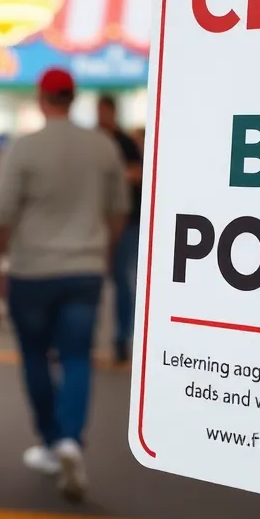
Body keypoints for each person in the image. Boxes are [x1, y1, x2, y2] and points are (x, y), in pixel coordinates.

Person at [0, 68, 129, 503]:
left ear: (41, 98)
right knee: (77, 356)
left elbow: (0, 215)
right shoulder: (102, 146)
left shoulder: (23, 148)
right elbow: (119, 211)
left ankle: (50, 440)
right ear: (73, 97)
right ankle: (70, 438)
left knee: (34, 356)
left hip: (32, 271)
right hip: (84, 269)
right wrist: (104, 252)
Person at [97, 95, 143, 363]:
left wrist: (116, 174)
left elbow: (137, 173)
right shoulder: (92, 141)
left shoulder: (124, 142)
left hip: (126, 222)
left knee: (122, 279)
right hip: (97, 221)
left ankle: (121, 337)